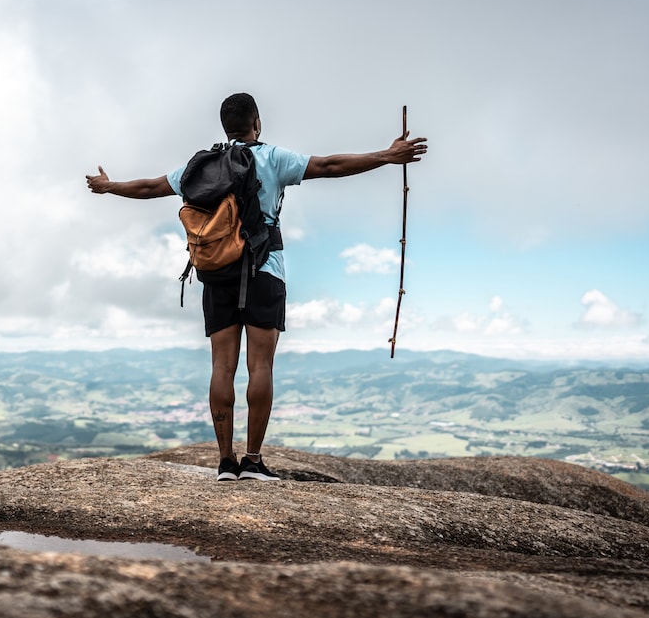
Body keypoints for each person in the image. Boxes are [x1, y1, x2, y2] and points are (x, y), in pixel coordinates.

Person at [85, 93, 428, 482]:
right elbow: (330, 165)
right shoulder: (272, 158)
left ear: (225, 126)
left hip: (216, 274)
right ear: (257, 123)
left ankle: (225, 463)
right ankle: (252, 461)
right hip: (265, 269)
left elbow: (148, 188)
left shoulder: (199, 166)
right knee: (260, 365)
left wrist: (109, 186)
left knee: (221, 366)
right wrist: (386, 155)